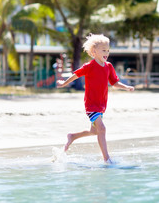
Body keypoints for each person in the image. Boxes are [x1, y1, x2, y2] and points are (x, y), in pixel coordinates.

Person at [57, 34, 134, 164]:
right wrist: (64, 83)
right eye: (103, 50)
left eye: (108, 50)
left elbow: (114, 83)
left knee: (94, 131)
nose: (106, 53)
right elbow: (76, 75)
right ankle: (107, 159)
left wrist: (126, 87)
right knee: (102, 129)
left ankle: (72, 136)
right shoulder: (89, 66)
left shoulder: (109, 66)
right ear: (94, 51)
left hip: (101, 105)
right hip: (91, 105)